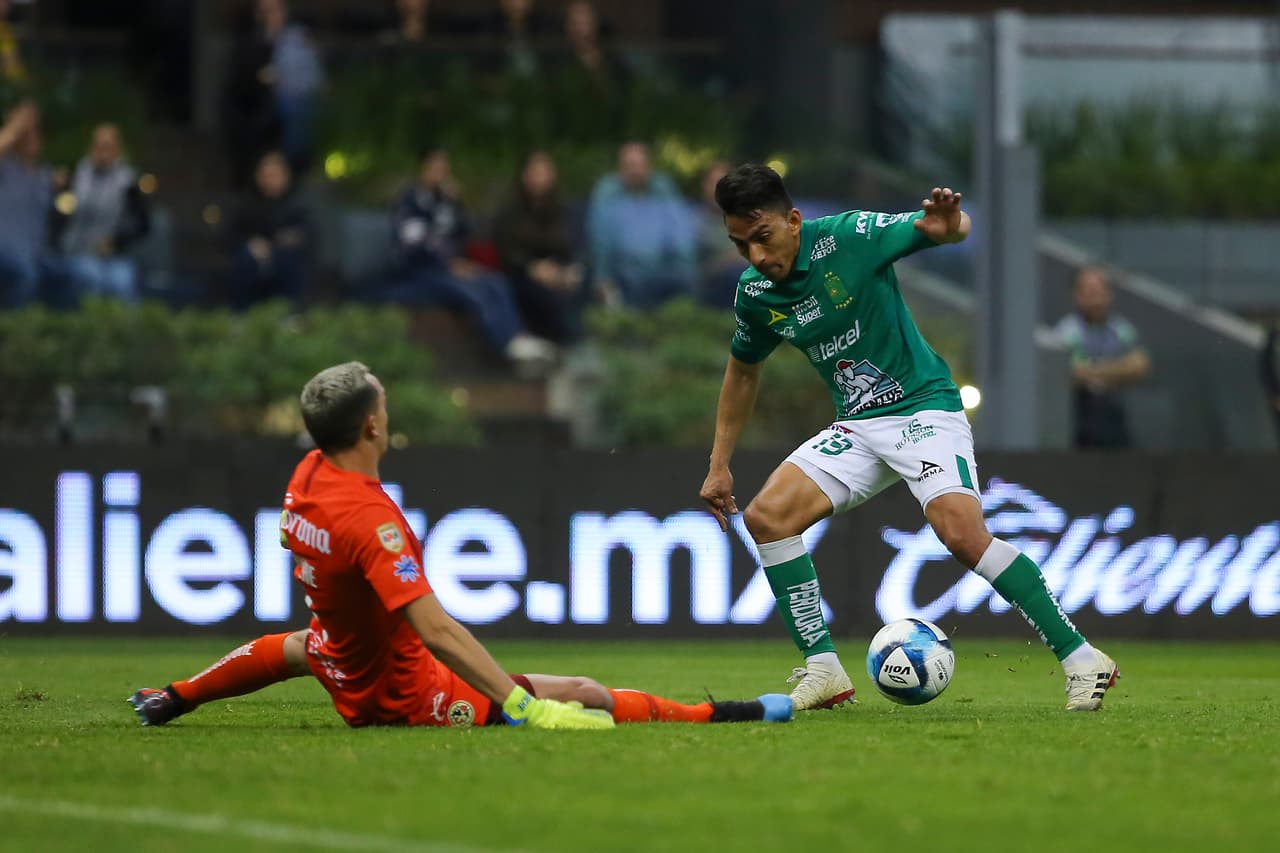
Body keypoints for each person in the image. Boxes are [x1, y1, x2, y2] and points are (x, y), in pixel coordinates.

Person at [129, 362, 793, 731]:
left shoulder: (307, 476)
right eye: (384, 402)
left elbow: (292, 540)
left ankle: (175, 696)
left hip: (339, 655)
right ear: (371, 426)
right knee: (585, 691)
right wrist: (520, 704)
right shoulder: (372, 520)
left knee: (299, 646)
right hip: (401, 691)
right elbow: (438, 631)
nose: (388, 409)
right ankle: (721, 713)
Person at [698, 164, 1119, 712]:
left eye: (762, 237)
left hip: (923, 407)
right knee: (767, 518)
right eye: (740, 245)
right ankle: (823, 671)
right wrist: (719, 462)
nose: (755, 256)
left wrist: (950, 225)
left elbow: (945, 228)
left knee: (961, 535)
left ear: (794, 221)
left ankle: (1083, 658)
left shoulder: (848, 237)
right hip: (858, 425)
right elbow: (743, 373)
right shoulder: (755, 293)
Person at [376, 146, 557, 369]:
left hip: (452, 267)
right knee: (472, 291)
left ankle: (519, 338)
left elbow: (464, 235)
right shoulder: (409, 201)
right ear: (422, 169)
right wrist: (448, 264)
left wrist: (457, 203)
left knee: (495, 282)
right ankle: (507, 344)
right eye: (435, 166)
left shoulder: (446, 201)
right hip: (420, 271)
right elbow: (414, 243)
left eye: (444, 167)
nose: (441, 172)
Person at [586, 141, 698, 308]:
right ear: (620, 169)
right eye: (629, 165)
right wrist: (603, 276)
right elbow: (601, 240)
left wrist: (686, 266)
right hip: (625, 268)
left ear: (649, 167)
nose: (635, 170)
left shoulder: (663, 190)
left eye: (640, 165)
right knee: (635, 284)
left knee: (687, 280)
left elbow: (681, 233)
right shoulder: (608, 193)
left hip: (665, 266)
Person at [1053, 266, 1151, 449]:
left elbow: (1139, 366)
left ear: (1109, 294)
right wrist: (1117, 370)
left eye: (1098, 291)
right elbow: (1070, 372)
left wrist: (1092, 371)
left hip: (1116, 419)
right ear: (1076, 295)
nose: (1093, 298)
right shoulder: (1066, 330)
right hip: (1077, 421)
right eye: (1087, 291)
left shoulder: (1121, 329)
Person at [492, 150, 584, 345]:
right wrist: (533, 268)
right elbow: (507, 251)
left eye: (544, 172)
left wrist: (566, 271)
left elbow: (572, 245)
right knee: (550, 300)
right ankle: (567, 347)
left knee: (581, 292)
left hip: (561, 272)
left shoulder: (563, 210)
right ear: (525, 176)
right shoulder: (510, 213)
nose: (540, 178)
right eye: (535, 172)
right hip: (523, 274)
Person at [56, 124, 151, 303]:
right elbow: (60, 212)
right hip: (76, 252)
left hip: (114, 257)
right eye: (98, 146)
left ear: (118, 150)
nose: (102, 153)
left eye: (108, 147)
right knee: (90, 278)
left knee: (122, 284)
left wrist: (116, 241)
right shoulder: (76, 175)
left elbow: (143, 225)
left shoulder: (128, 183)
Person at [226, 150, 312, 311]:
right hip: (252, 259)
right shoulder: (247, 203)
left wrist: (277, 243)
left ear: (286, 176)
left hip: (286, 259)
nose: (270, 179)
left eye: (275, 174)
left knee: (288, 261)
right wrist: (251, 243)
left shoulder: (298, 203)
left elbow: (306, 235)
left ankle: (290, 314)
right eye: (266, 174)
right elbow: (229, 234)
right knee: (245, 260)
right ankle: (241, 315)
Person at [0, 100, 56, 309]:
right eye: (27, 133)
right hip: (6, 253)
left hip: (35, 255)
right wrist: (17, 126)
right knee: (25, 274)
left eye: (35, 131)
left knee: (79, 275)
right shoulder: (6, 167)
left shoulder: (45, 175)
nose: (32, 137)